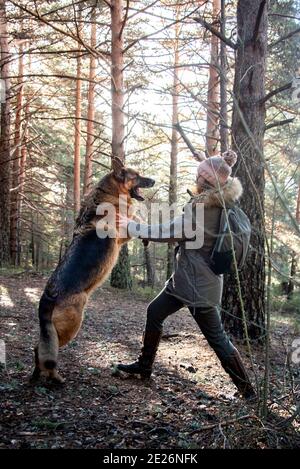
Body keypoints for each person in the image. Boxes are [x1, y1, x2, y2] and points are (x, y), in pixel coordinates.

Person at [117, 150, 255, 399]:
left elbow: (173, 231)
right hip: (185, 280)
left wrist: (133, 227)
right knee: (154, 311)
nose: (196, 176)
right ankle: (144, 366)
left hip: (198, 286)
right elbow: (183, 233)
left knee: (217, 338)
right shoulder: (213, 201)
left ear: (208, 179)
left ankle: (249, 393)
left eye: (200, 173)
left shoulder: (206, 209)